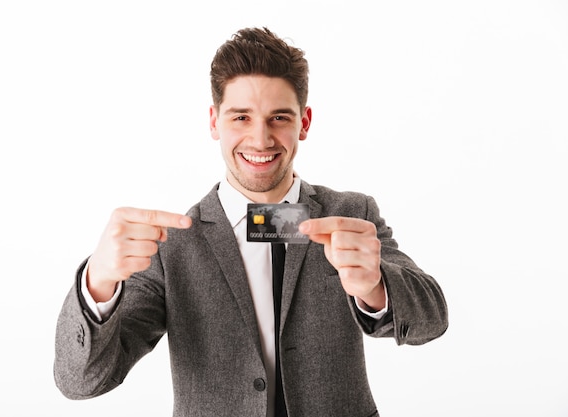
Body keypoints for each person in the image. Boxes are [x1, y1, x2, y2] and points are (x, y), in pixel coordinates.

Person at [54, 27, 448, 417]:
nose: (260, 140)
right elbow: (81, 381)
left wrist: (376, 285)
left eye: (278, 117)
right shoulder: (171, 247)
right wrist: (97, 283)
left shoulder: (351, 214)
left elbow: (432, 320)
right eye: (241, 117)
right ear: (214, 122)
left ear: (304, 122)